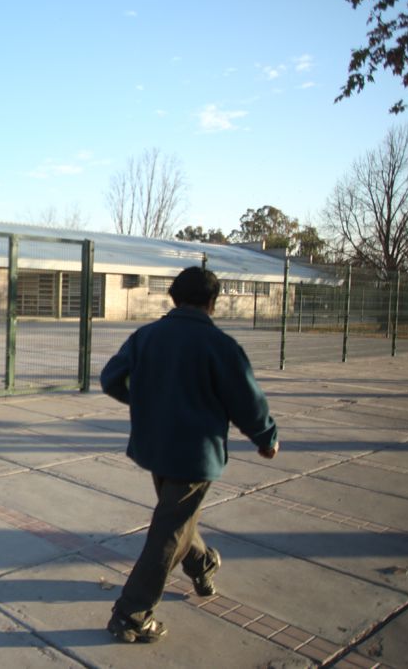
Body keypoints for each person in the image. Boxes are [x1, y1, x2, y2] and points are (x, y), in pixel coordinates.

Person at [99, 266, 279, 643]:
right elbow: (247, 400)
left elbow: (110, 378)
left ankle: (201, 562)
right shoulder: (221, 346)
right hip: (195, 454)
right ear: (212, 303)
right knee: (169, 531)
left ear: (174, 299)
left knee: (174, 521)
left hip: (155, 446)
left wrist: (144, 401)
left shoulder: (146, 336)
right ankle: (132, 614)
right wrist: (266, 437)